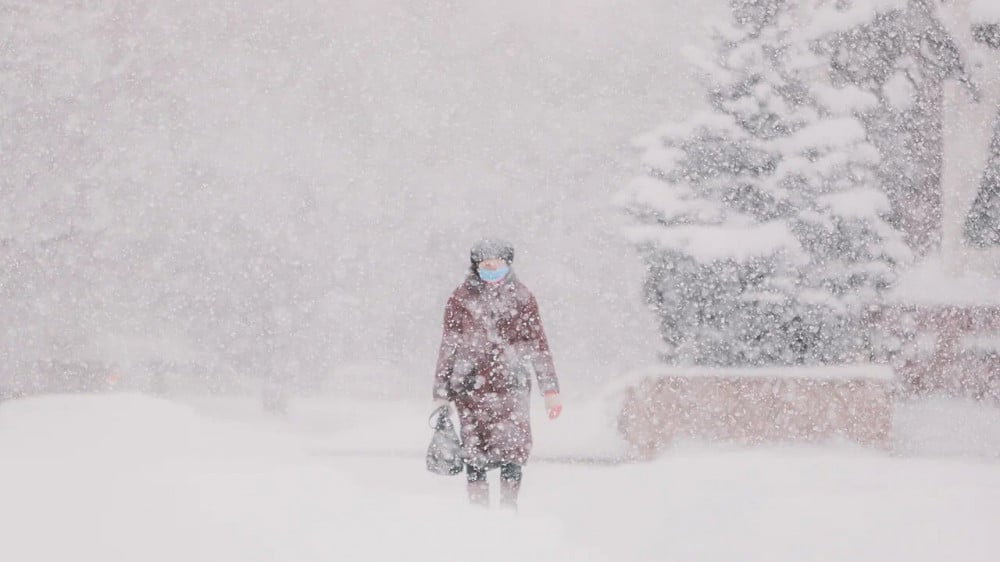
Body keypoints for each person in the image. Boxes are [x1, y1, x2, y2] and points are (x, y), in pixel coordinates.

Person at [432, 239, 562, 509]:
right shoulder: (461, 299)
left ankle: (508, 509)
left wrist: (550, 390)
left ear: (508, 264)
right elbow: (448, 346)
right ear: (476, 266)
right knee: (475, 453)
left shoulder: (523, 298)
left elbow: (539, 345)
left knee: (513, 451)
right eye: (485, 265)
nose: (492, 270)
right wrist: (441, 394)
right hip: (470, 388)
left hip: (511, 386)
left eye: (497, 264)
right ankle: (479, 512)